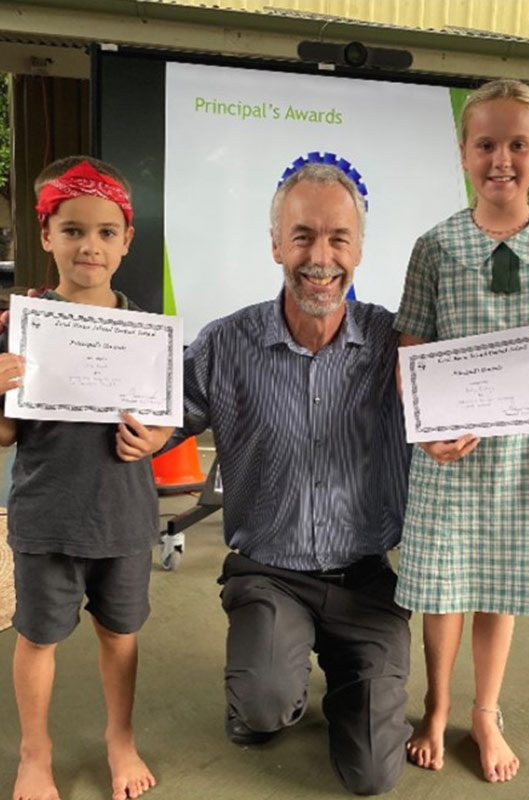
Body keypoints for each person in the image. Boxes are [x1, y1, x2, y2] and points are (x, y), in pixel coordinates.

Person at [124, 161, 413, 795]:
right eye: (302, 235)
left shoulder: (399, 345)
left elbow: (484, 367)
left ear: (359, 248)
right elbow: (156, 409)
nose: (320, 256)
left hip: (367, 578)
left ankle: (350, 675)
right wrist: (53, 353)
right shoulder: (227, 342)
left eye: (339, 237)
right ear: (276, 243)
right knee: (261, 712)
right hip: (270, 571)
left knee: (371, 775)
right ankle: (272, 678)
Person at [394, 79, 529, 784]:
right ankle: (436, 704)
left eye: (518, 144)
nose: (501, 158)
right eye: (486, 144)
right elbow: (410, 353)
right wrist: (424, 431)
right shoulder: (436, 246)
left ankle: (485, 712)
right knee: (443, 589)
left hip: (524, 457)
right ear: (463, 153)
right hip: (446, 456)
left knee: (500, 588)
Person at [1, 156, 167, 800]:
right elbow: (7, 435)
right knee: (38, 636)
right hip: (46, 517)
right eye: (72, 230)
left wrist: (154, 437)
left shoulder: (146, 334)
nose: (88, 246)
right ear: (46, 236)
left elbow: (162, 428)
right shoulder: (21, 324)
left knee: (120, 635)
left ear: (126, 242)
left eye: (105, 232)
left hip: (123, 518)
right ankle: (33, 754)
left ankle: (118, 739)